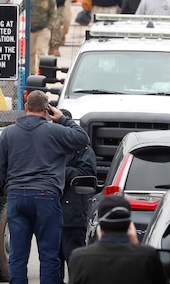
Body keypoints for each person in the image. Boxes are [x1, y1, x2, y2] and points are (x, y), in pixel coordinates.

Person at [0, 91, 89, 284]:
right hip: (46, 198)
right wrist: (63, 119)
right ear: (47, 110)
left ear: (25, 107)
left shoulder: (9, 133)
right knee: (49, 256)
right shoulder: (55, 131)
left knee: (17, 256)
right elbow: (82, 139)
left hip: (17, 198)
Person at [68, 195, 168, 284]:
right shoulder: (147, 256)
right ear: (130, 225)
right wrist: (136, 245)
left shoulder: (80, 258)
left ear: (100, 226)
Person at [58, 111, 96, 284]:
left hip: (73, 216)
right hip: (51, 214)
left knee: (74, 261)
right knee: (52, 262)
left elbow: (87, 174)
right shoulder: (51, 146)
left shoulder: (83, 149)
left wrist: (60, 171)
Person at [29, 0, 57, 72]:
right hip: (31, 29)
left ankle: (41, 73)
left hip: (43, 29)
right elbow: (21, 7)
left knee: (41, 52)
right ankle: (32, 73)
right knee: (31, 53)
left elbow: (53, 14)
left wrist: (48, 27)